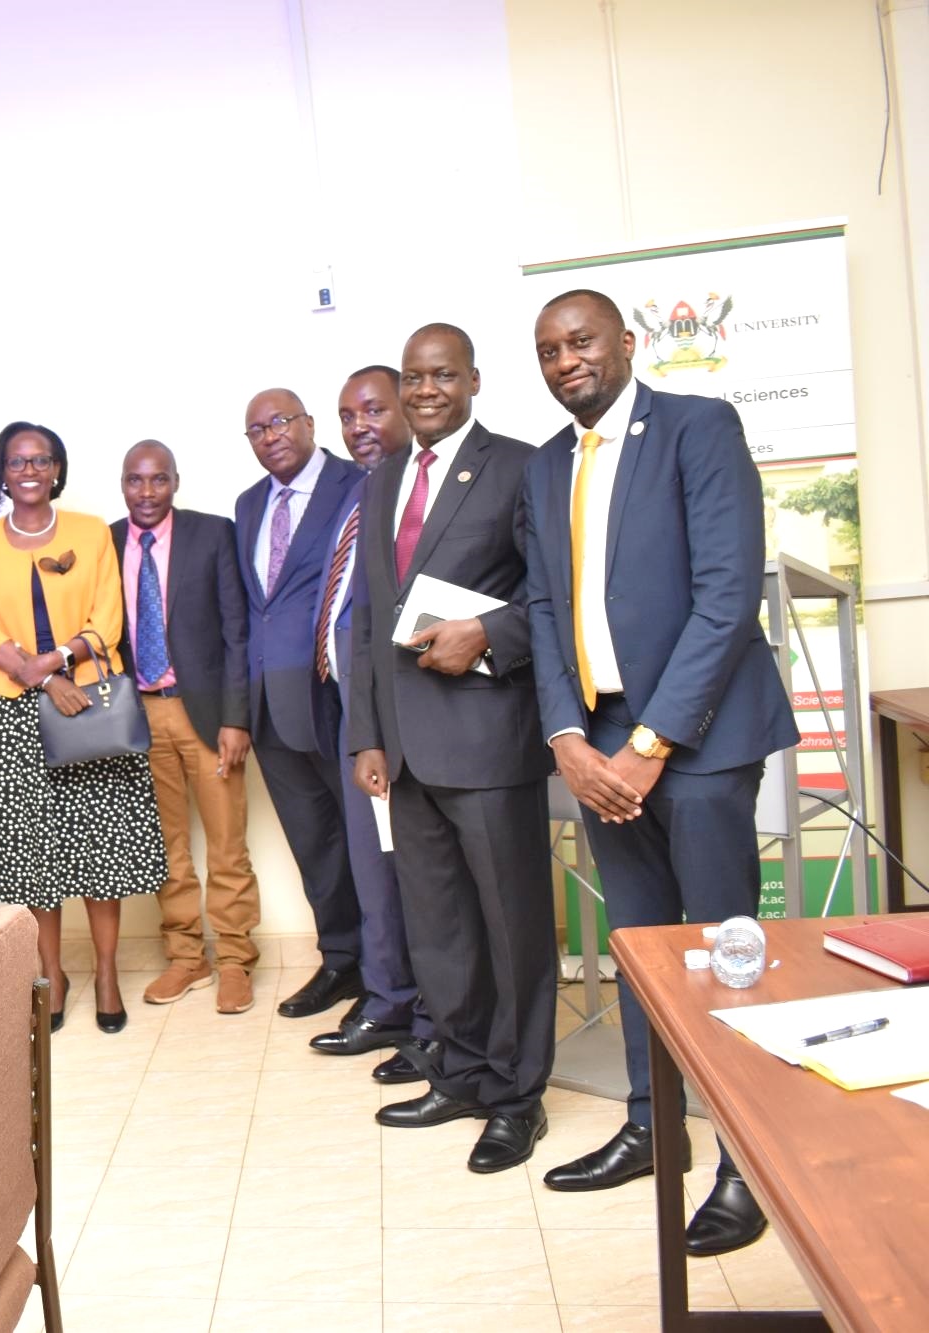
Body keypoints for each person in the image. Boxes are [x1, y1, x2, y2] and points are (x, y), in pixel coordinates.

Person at [526, 289, 796, 1255]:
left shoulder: (696, 427)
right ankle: (654, 1128)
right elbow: (544, 609)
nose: (567, 361)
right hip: (597, 745)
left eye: (583, 341)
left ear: (626, 344)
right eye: (551, 349)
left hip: (701, 742)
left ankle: (747, 1160)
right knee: (641, 949)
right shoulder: (547, 464)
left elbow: (728, 596)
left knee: (725, 953)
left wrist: (649, 748)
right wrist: (566, 735)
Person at [349, 322, 553, 1174]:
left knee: (512, 927)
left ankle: (518, 1096)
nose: (425, 390)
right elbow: (366, 617)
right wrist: (365, 734)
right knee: (440, 929)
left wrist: (488, 631)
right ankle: (463, 1072)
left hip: (486, 736)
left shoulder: (520, 465)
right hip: (404, 747)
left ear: (472, 380)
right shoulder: (385, 478)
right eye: (413, 377)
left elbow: (553, 594)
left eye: (442, 375)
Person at [0, 422, 165, 1034]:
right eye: (17, 461)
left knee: (100, 848)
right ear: (2, 470)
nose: (29, 470)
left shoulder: (91, 532)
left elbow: (108, 614)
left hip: (90, 704)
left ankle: (104, 972)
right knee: (36, 857)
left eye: (41, 460)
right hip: (8, 708)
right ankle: (49, 974)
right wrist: (44, 680)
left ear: (56, 469)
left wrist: (59, 664)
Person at [308, 368, 437, 1077]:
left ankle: (429, 1016)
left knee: (413, 872)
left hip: (408, 714)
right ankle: (388, 999)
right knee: (372, 868)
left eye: (372, 409)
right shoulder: (360, 497)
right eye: (346, 414)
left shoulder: (420, 495)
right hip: (353, 711)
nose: (358, 425)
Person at [110, 440, 261, 1015]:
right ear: (122, 484)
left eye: (158, 480)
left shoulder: (211, 533)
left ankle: (236, 960)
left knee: (227, 844)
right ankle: (186, 958)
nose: (146, 493)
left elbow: (236, 632)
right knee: (165, 847)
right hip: (139, 717)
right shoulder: (105, 541)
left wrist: (235, 717)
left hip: (204, 714)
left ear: (176, 481)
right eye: (134, 481)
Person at [233, 389, 364, 1020]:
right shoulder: (249, 503)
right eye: (255, 429)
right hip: (268, 707)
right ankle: (341, 959)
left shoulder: (357, 483)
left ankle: (392, 969)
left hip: (334, 699)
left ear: (310, 424)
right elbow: (251, 611)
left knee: (367, 841)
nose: (270, 435)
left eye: (280, 421)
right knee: (314, 844)